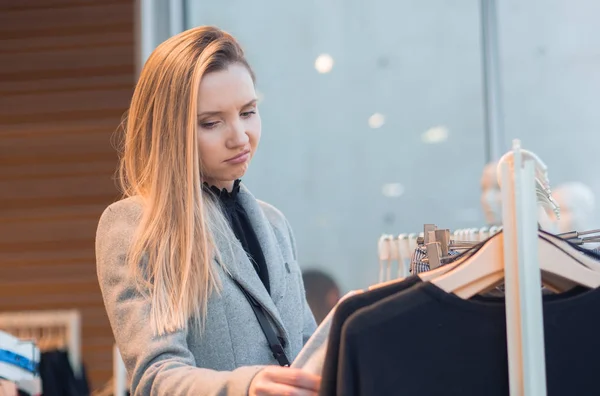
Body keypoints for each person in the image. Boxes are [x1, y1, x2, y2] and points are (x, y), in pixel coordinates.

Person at [95, 26, 320, 396]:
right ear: (169, 130)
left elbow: (306, 347)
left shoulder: (275, 224)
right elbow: (156, 377)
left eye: (248, 112)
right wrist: (245, 386)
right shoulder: (135, 225)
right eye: (211, 123)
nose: (239, 136)